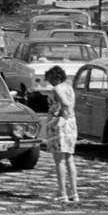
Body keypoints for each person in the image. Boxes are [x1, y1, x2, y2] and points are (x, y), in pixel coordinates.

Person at [42, 64, 79, 203]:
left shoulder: (57, 89)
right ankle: (74, 192)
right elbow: (70, 103)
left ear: (56, 77)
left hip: (59, 125)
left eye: (50, 78)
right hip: (71, 124)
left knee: (59, 161)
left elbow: (65, 102)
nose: (49, 81)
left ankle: (62, 192)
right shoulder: (69, 87)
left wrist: (60, 114)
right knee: (69, 159)